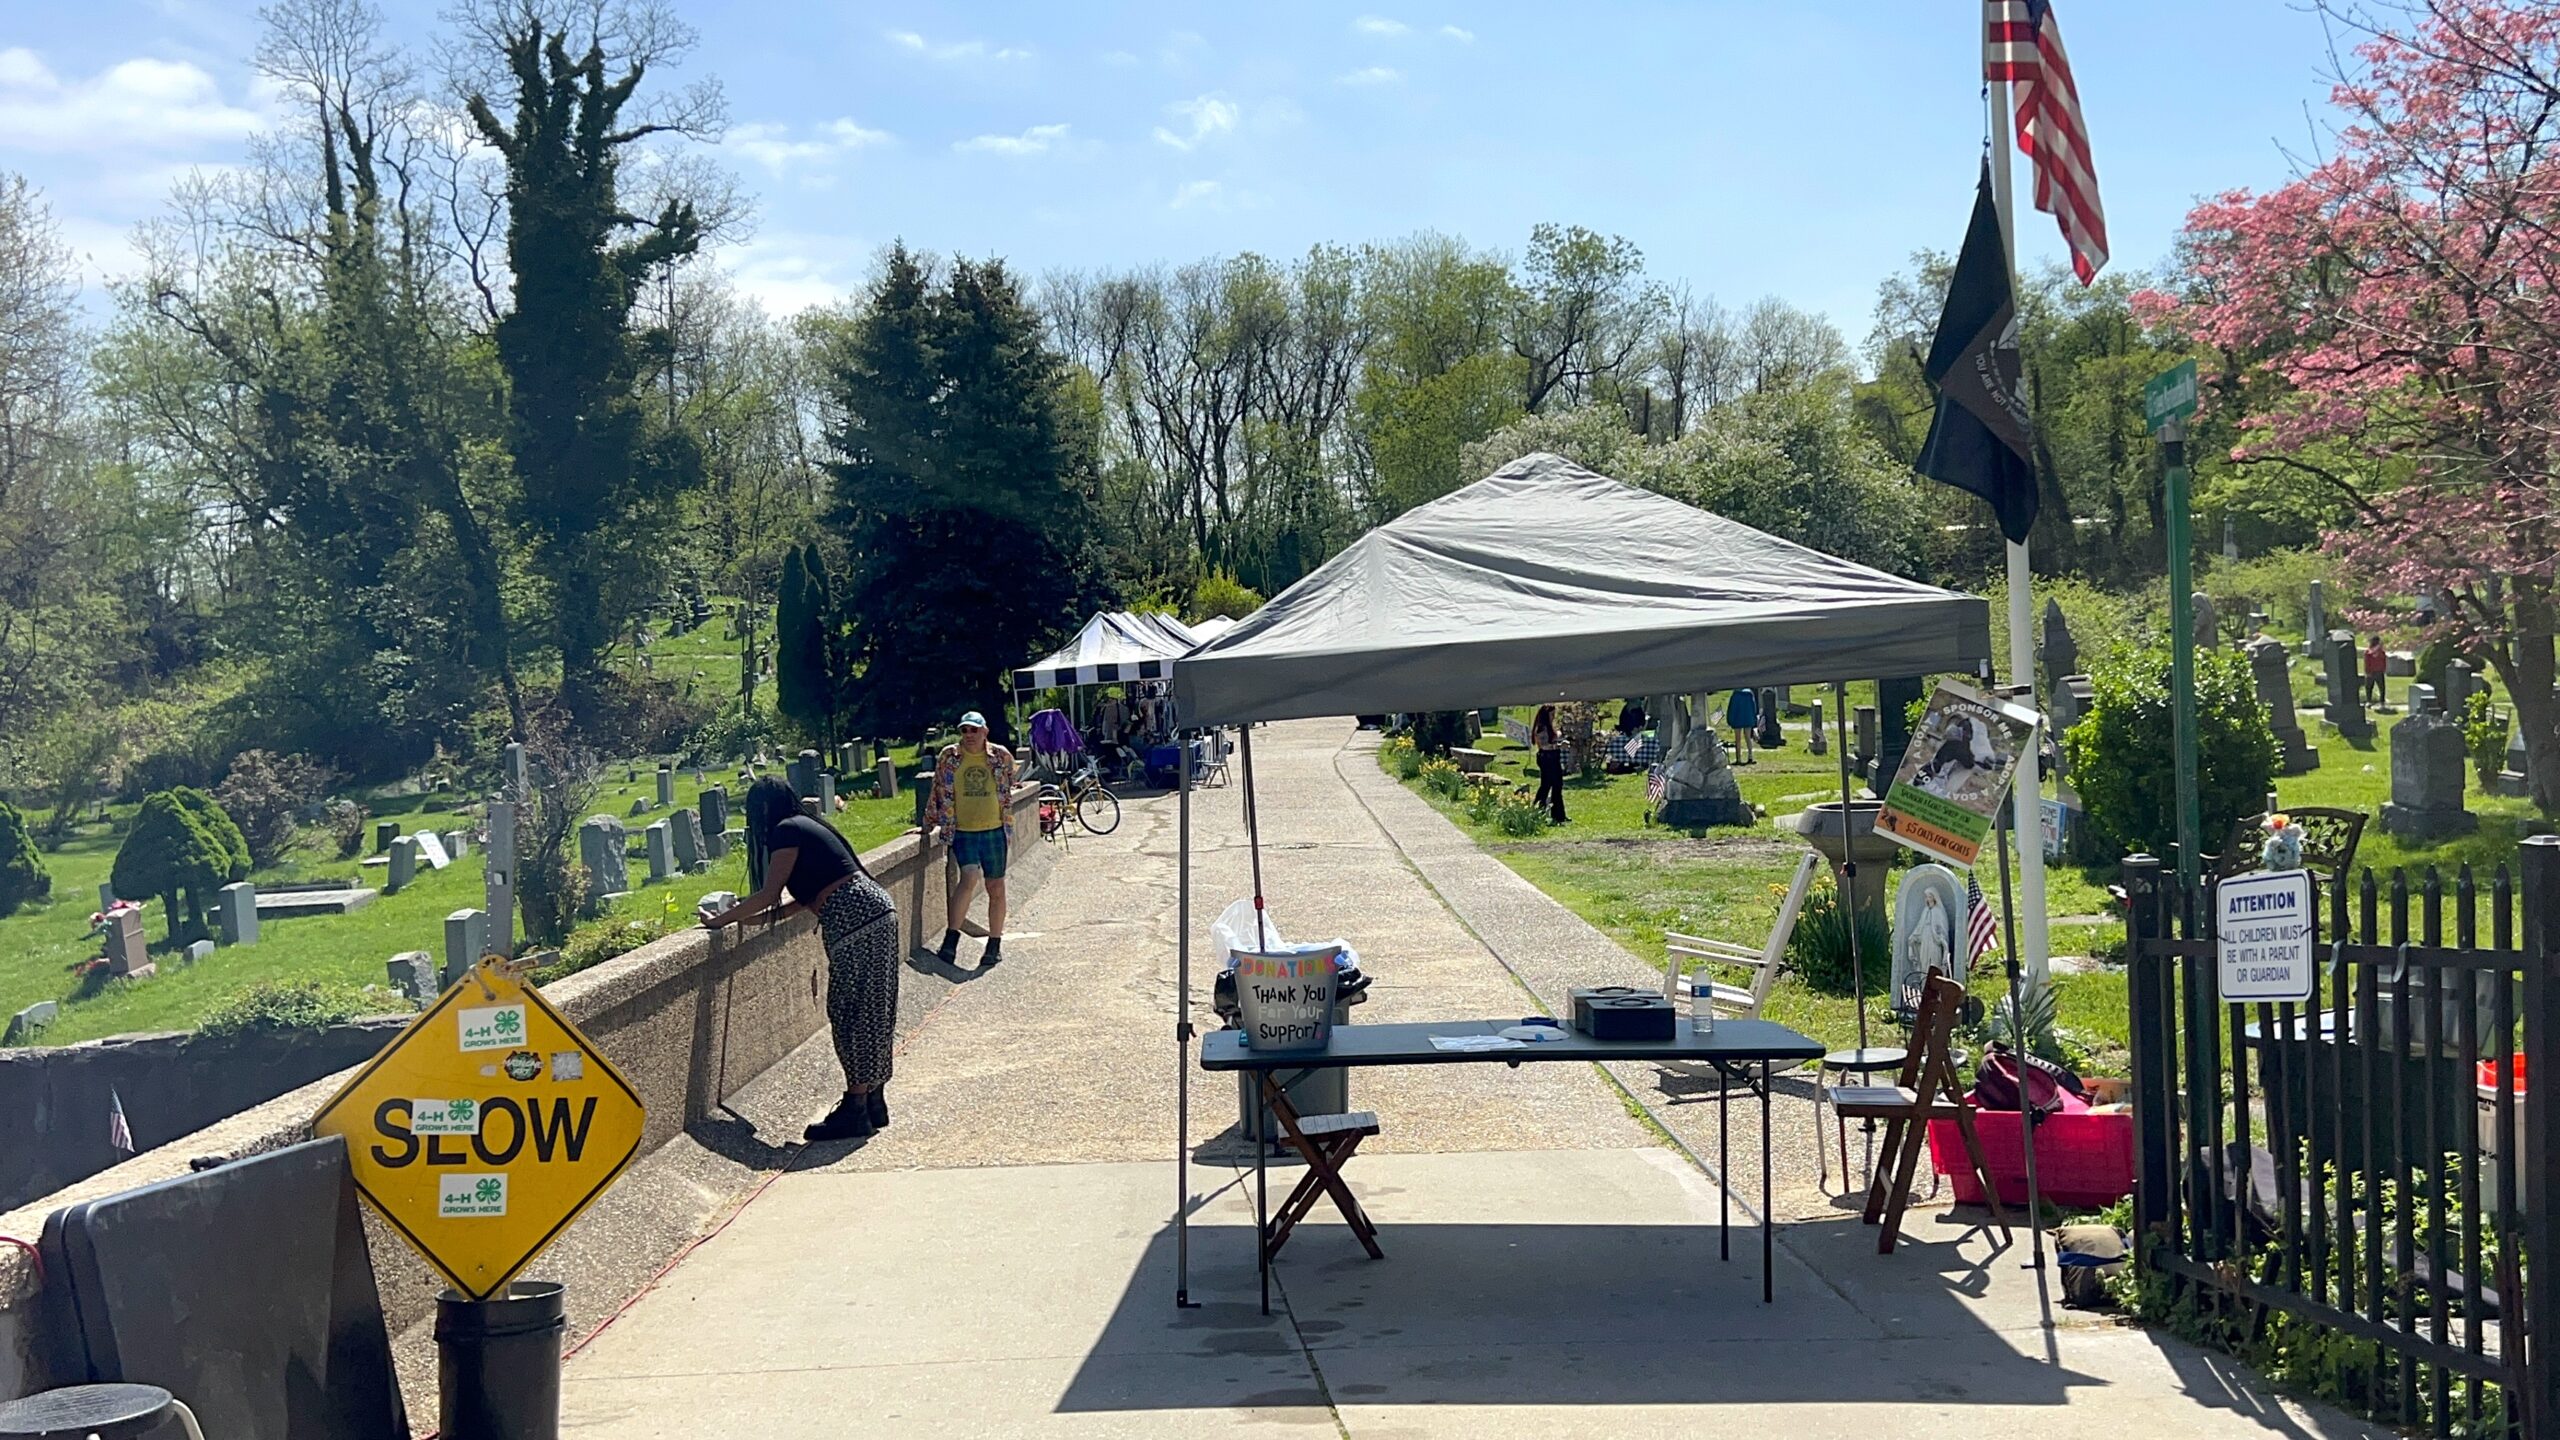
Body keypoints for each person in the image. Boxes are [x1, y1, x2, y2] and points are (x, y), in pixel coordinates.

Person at [700, 777, 898, 1142]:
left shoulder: (786, 830)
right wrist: (742, 919)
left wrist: (720, 920)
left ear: (762, 808)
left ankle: (855, 1108)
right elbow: (795, 904)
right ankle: (873, 1100)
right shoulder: (805, 824)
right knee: (874, 1007)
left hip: (854, 917)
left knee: (850, 1010)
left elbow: (769, 894)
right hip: (875, 910)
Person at [926, 710, 1018, 968]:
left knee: (995, 886)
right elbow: (937, 789)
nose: (969, 735)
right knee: (968, 877)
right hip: (963, 830)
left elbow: (1012, 779)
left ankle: (994, 944)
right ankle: (951, 940)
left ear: (984, 731)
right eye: (964, 730)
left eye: (974, 730)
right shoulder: (949, 756)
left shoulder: (1000, 755)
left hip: (995, 829)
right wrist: (927, 823)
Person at [1530, 704, 1568, 824]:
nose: (1553, 717)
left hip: (1553, 758)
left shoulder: (1550, 727)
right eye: (1551, 714)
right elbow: (1544, 746)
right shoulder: (1541, 728)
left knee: (1557, 786)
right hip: (1546, 758)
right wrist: (1559, 746)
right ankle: (1537, 810)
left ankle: (1559, 815)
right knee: (1546, 785)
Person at [2362, 634, 2388, 706]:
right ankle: (2381, 702)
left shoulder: (2368, 652)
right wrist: (2384, 669)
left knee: (2370, 687)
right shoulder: (2380, 652)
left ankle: (2369, 701)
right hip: (2378, 671)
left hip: (2372, 672)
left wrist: (2367, 671)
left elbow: (2367, 662)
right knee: (2381, 688)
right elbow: (2383, 661)